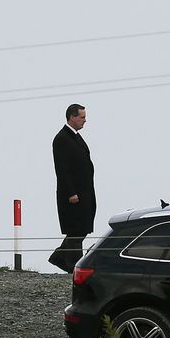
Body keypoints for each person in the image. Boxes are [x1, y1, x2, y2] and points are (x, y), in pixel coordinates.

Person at [50, 103, 95, 273]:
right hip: (73, 194)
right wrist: (71, 192)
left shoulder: (75, 137)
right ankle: (74, 265)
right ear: (72, 117)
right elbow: (62, 169)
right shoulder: (62, 138)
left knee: (81, 229)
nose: (85, 120)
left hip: (84, 192)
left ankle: (60, 257)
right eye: (82, 117)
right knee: (76, 230)